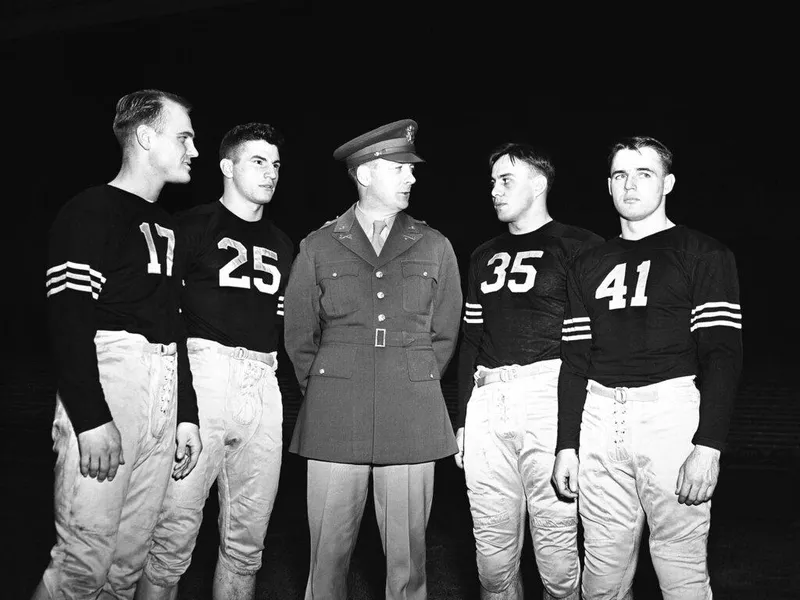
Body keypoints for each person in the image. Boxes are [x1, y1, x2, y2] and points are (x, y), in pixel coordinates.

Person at [552, 136, 743, 599]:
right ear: (608, 185)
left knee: (679, 565)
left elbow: (723, 354)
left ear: (668, 183)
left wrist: (709, 446)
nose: (630, 185)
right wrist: (567, 445)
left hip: (669, 415)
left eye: (644, 174)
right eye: (620, 175)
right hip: (599, 419)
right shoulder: (587, 262)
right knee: (601, 571)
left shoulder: (704, 253)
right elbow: (575, 361)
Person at [283, 118, 463, 600]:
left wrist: (413, 379)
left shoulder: (435, 245)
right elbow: (299, 335)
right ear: (364, 175)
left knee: (408, 563)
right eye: (400, 168)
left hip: (412, 414)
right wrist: (326, 387)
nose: (412, 177)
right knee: (327, 559)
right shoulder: (319, 245)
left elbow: (444, 334)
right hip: (334, 413)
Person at [34, 89, 203, 599]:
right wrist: (89, 418)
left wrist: (185, 414)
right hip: (112, 379)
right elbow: (68, 320)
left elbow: (174, 325)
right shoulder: (88, 210)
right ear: (146, 137)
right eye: (184, 137)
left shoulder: (169, 226)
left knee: (129, 563)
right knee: (81, 564)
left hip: (163, 384)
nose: (193, 150)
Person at [136, 123, 293, 600]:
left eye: (276, 164)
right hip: (203, 375)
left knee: (247, 545)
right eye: (258, 161)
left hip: (263, 380)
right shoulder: (188, 226)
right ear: (227, 166)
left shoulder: (285, 244)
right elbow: (159, 314)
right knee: (171, 539)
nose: (270, 173)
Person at [455, 142, 603, 600]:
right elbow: (470, 341)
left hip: (548, 392)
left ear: (538, 184)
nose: (494, 191)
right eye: (493, 182)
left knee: (557, 552)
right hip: (488, 398)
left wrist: (571, 435)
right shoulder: (483, 253)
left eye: (506, 180)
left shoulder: (581, 246)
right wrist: (462, 420)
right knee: (491, 555)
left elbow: (591, 344)